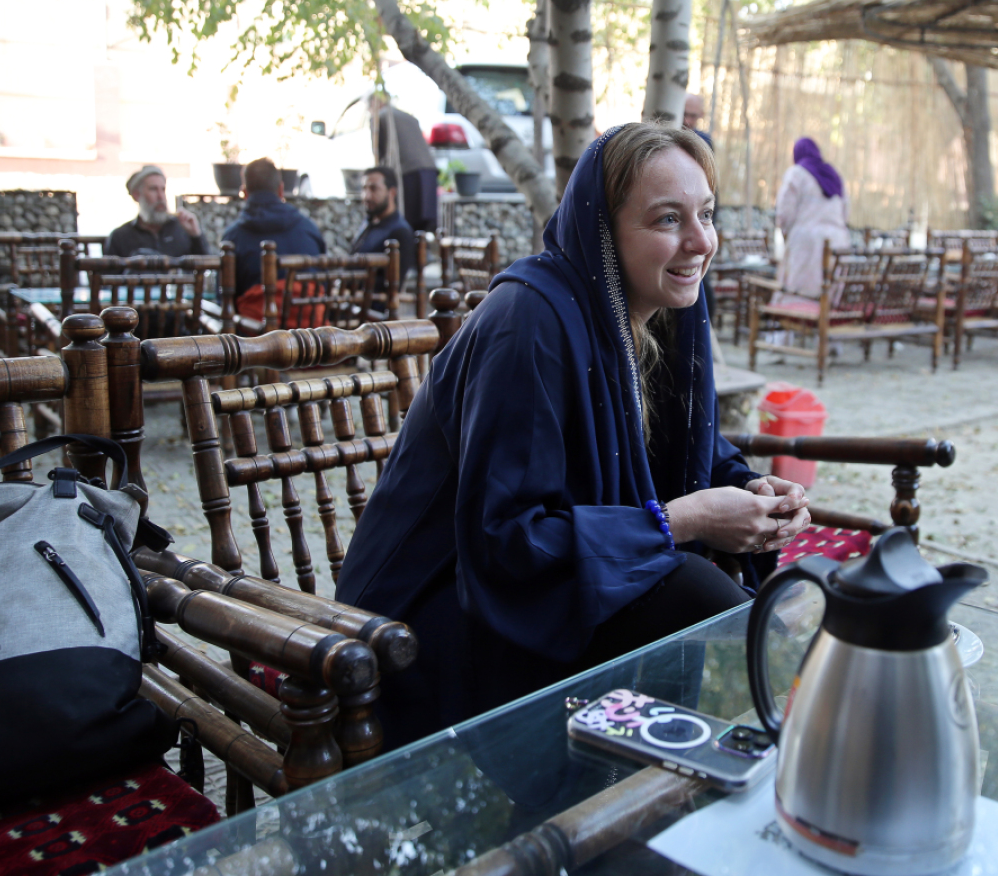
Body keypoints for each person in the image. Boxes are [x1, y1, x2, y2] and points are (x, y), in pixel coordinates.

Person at [337, 122, 811, 748]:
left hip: (549, 585)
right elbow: (506, 541)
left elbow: (674, 451)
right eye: (668, 219)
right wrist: (686, 519)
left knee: (693, 594)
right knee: (691, 591)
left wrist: (748, 488)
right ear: (602, 229)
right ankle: (751, 758)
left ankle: (706, 763)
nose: (701, 241)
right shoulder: (528, 322)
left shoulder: (654, 308)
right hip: (433, 619)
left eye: (706, 213)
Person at [220, 157, 327, 298]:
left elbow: (223, 298)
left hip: (255, 312)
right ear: (281, 190)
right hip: (311, 312)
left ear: (245, 193)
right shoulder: (310, 229)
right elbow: (324, 284)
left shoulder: (232, 238)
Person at [775, 138, 850, 299]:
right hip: (838, 243)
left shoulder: (796, 173)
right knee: (828, 299)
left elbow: (784, 212)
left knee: (801, 297)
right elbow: (845, 212)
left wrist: (787, 234)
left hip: (806, 244)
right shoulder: (835, 176)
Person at [106, 165, 208, 258]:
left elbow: (206, 265)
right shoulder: (120, 237)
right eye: (153, 189)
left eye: (163, 189)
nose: (160, 196)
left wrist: (196, 235)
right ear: (136, 195)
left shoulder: (183, 229)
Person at [373, 103, 440, 233]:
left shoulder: (380, 117)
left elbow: (380, 151)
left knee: (408, 221)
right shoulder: (407, 116)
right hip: (428, 170)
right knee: (426, 223)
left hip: (408, 171)